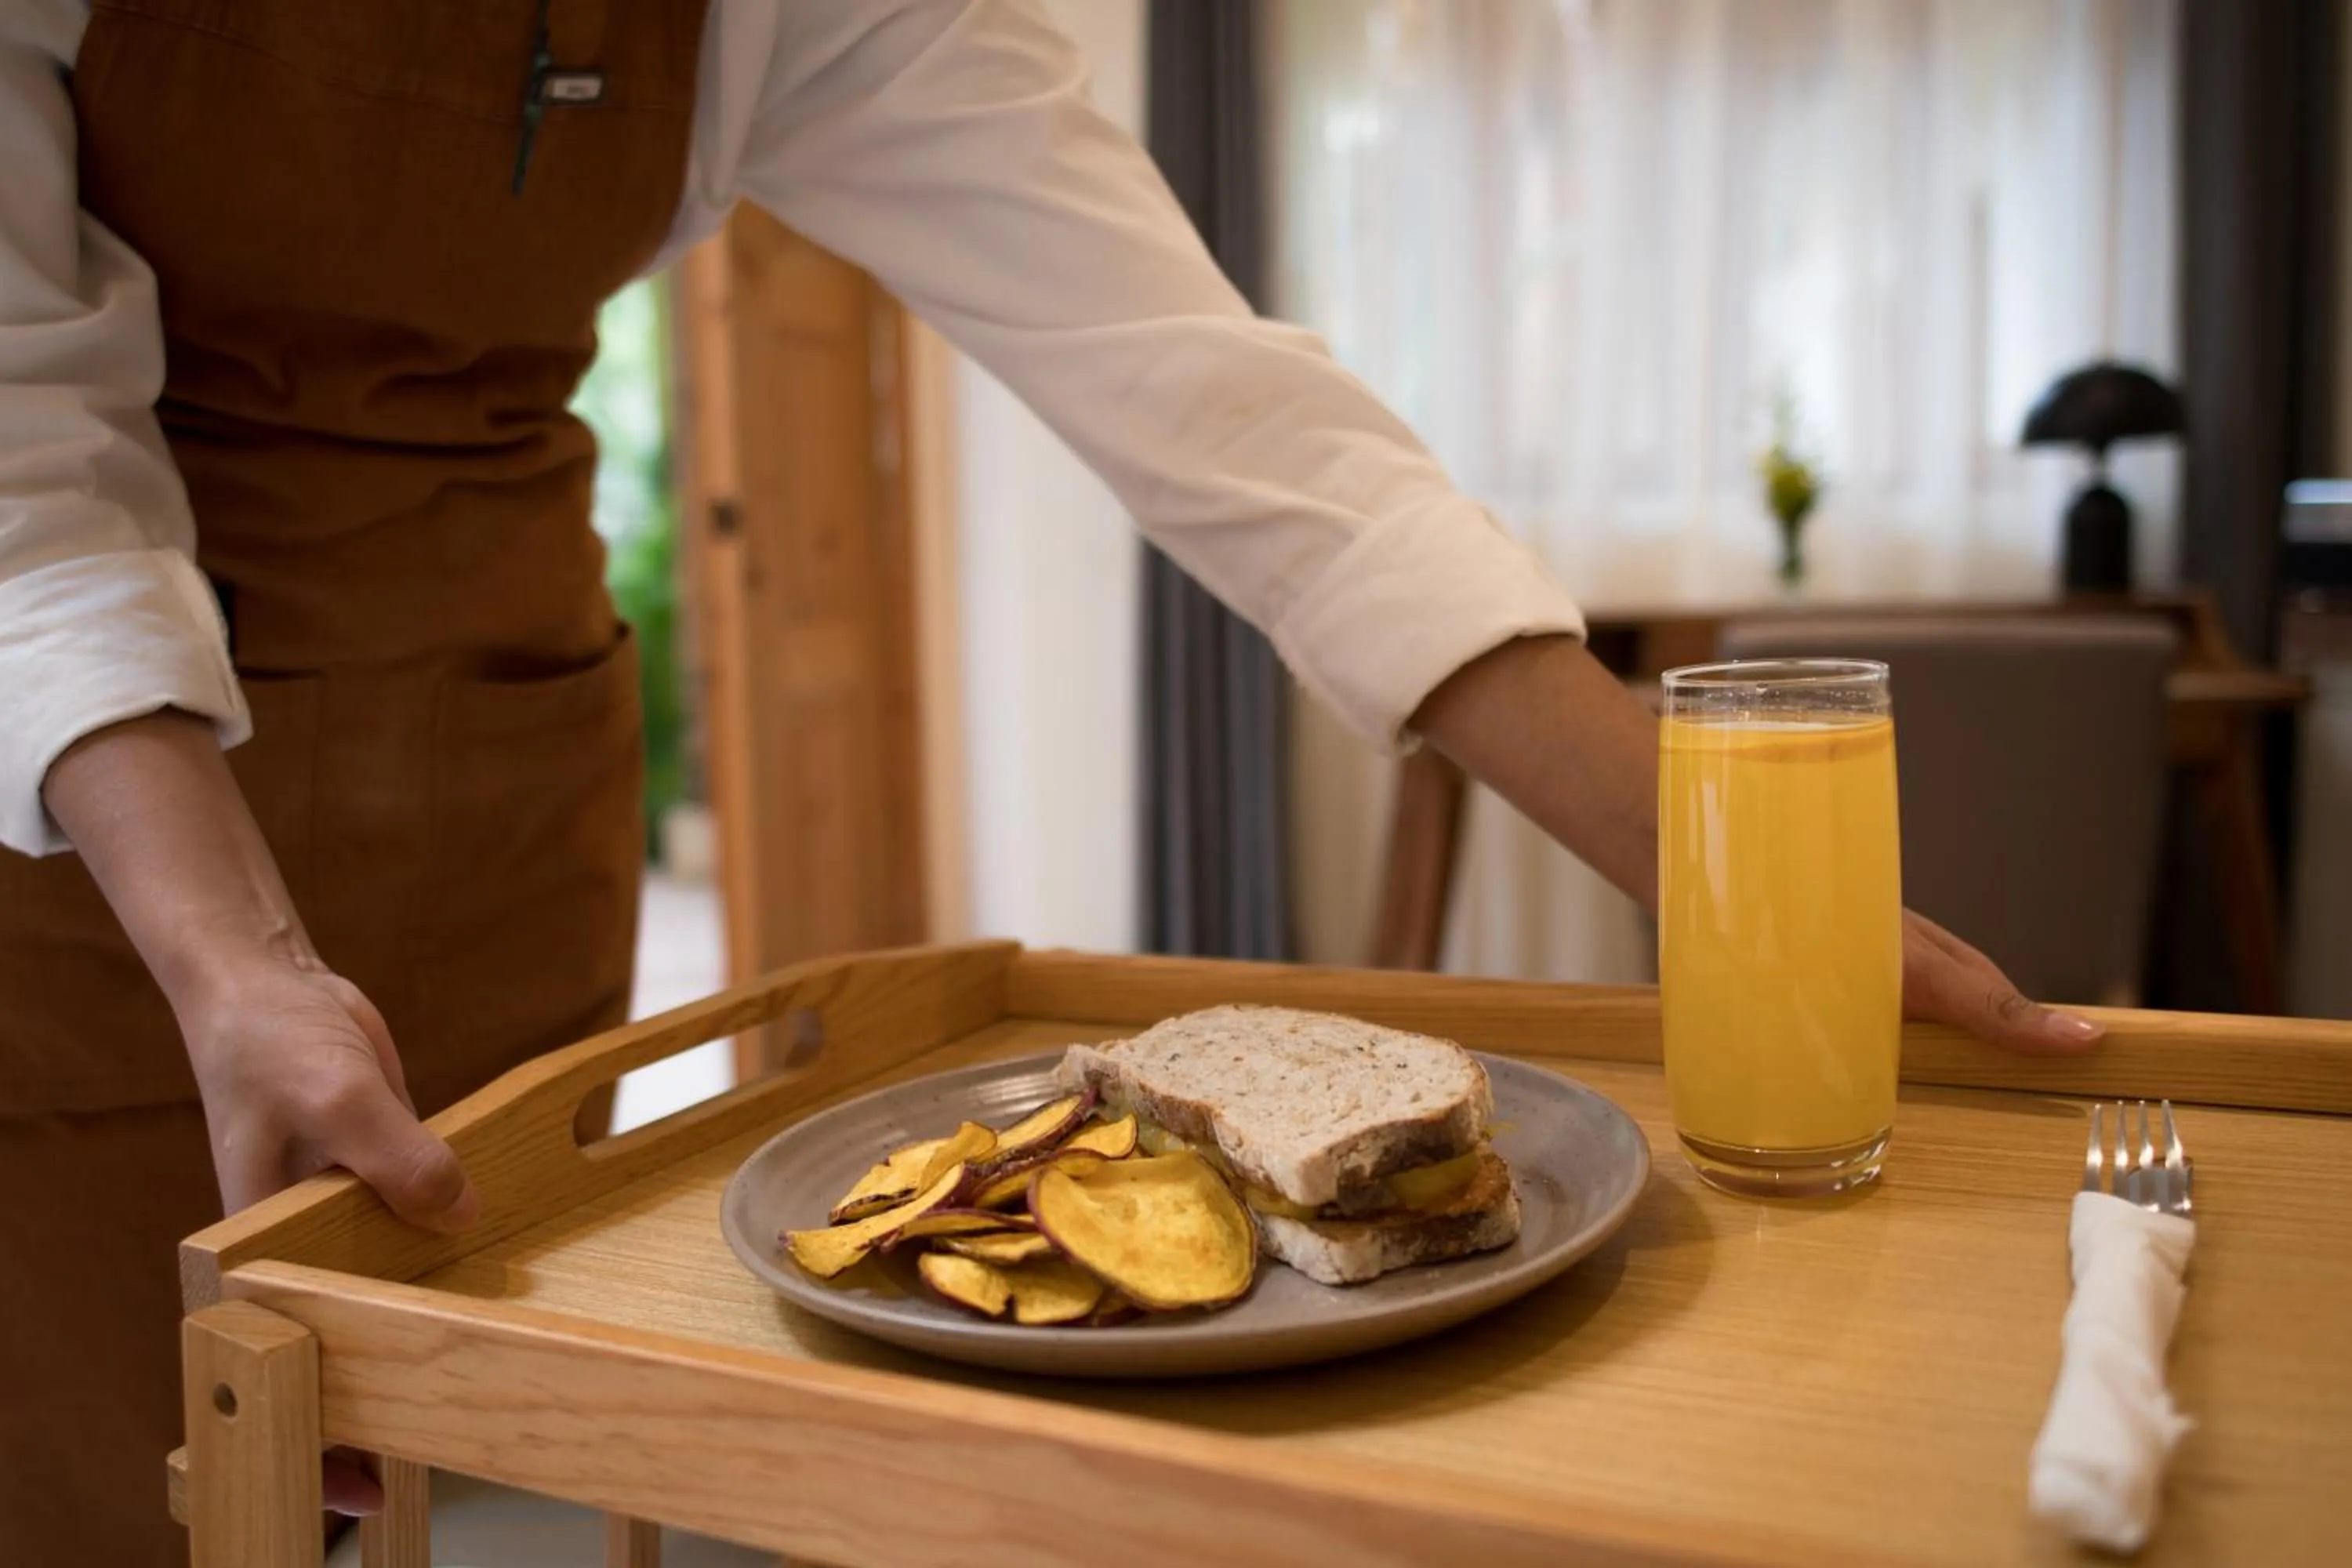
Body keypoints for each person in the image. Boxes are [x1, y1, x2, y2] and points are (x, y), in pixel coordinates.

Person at [0, 1, 2102, 1559]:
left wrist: (1699, 852)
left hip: (503, 722)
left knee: (447, 1466)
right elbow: (29, 452)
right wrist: (239, 958)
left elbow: (1202, 389)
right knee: (130, 1474)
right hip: (98, 810)